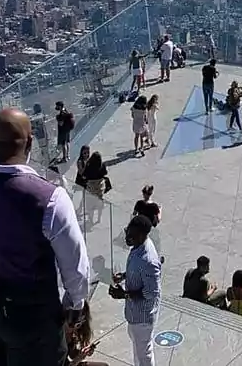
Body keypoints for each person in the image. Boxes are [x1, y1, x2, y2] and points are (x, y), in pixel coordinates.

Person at [0, 108, 91, 366]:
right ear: (30, 143)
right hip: (32, 319)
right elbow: (75, 266)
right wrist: (75, 304)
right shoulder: (51, 199)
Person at [109, 215, 162, 366]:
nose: (127, 237)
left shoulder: (149, 260)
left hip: (143, 317)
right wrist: (124, 276)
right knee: (138, 351)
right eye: (127, 231)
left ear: (141, 235)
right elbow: (139, 272)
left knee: (144, 354)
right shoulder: (138, 246)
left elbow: (151, 292)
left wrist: (124, 294)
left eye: (131, 235)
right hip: (134, 314)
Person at [81, 152, 110, 225]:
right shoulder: (102, 165)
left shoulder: (89, 165)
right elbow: (105, 173)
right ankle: (99, 219)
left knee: (90, 205)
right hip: (100, 187)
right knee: (100, 204)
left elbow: (84, 175)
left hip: (91, 188)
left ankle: (91, 219)